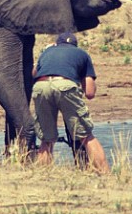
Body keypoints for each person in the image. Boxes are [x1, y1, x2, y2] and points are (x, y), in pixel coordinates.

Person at [31, 32, 110, 173]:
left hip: (40, 87)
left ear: (57, 43)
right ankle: (106, 174)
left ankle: (43, 176)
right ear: (74, 45)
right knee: (86, 136)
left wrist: (46, 52)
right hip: (65, 86)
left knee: (46, 139)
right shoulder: (82, 54)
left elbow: (34, 74)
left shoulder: (47, 51)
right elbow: (90, 93)